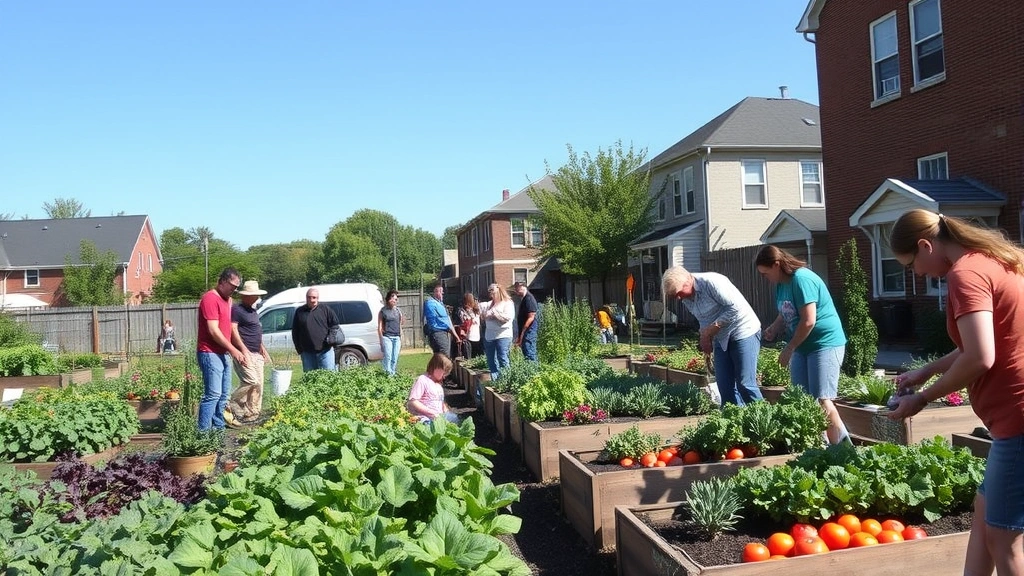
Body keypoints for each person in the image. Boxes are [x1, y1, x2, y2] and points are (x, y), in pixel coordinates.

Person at [886, 210, 1024, 576]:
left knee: (1003, 536)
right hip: (1013, 417)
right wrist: (927, 369)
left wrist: (922, 397)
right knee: (984, 512)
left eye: (912, 263)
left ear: (925, 245)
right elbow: (976, 343)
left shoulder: (965, 274)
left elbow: (980, 356)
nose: (916, 274)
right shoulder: (992, 261)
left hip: (1018, 418)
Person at [755, 245, 849, 444]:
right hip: (803, 346)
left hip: (825, 343)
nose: (765, 278)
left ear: (777, 265)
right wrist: (774, 327)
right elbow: (786, 311)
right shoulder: (782, 284)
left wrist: (789, 347)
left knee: (823, 399)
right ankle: (819, 446)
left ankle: (843, 448)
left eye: (765, 273)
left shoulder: (802, 279)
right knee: (803, 399)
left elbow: (808, 321)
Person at [662, 266, 763, 406]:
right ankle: (733, 423)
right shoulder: (686, 297)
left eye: (679, 293)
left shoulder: (713, 283)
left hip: (743, 330)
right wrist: (705, 337)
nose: (679, 298)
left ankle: (764, 421)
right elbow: (703, 318)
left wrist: (711, 330)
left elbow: (735, 308)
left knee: (745, 384)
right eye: (675, 296)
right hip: (720, 338)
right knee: (725, 387)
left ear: (688, 281)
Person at [196, 268, 248, 431]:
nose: (234, 289)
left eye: (237, 287)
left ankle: (217, 432)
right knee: (213, 395)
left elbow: (229, 329)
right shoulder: (210, 299)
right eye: (233, 285)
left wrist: (241, 348)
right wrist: (233, 350)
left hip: (222, 353)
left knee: (223, 395)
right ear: (223, 281)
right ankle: (203, 435)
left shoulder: (229, 301)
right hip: (209, 352)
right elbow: (213, 330)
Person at [227, 280, 271, 425]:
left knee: (258, 386)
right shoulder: (237, 309)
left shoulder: (253, 311)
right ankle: (233, 402)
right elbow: (233, 330)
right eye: (254, 295)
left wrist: (262, 348)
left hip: (256, 352)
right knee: (251, 380)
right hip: (244, 353)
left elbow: (256, 331)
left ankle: (252, 414)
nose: (256, 297)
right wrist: (243, 349)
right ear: (246, 296)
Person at [480, 283, 515, 404]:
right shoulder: (489, 304)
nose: (491, 294)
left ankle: (506, 381)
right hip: (490, 335)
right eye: (489, 291)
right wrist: (485, 315)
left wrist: (494, 314)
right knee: (490, 359)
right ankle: (496, 381)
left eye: (492, 291)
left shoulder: (507, 303)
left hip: (503, 335)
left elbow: (507, 318)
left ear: (499, 291)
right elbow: (483, 317)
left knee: (502, 357)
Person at [292, 287, 339, 372]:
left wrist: (331, 337)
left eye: (314, 297)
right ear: (306, 298)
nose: (312, 300)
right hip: (307, 353)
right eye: (309, 297)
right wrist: (299, 349)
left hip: (325, 351)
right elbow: (295, 331)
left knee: (329, 377)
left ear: (318, 298)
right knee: (310, 379)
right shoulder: (300, 311)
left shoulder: (325, 309)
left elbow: (334, 325)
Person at [407, 353, 460, 424]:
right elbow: (413, 401)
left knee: (455, 419)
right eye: (444, 372)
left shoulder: (437, 384)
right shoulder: (422, 380)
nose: (444, 376)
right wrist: (431, 413)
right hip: (425, 416)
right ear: (436, 367)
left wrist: (444, 407)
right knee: (428, 425)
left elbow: (439, 400)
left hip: (439, 415)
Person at [423, 284, 461, 357]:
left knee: (441, 357)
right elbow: (444, 321)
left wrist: (456, 336)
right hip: (437, 333)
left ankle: (438, 368)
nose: (443, 293)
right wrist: (453, 334)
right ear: (436, 292)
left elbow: (448, 320)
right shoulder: (431, 303)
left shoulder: (440, 304)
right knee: (444, 356)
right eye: (441, 291)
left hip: (443, 333)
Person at [378, 290, 403, 375]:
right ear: (388, 299)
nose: (394, 301)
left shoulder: (398, 311)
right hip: (387, 337)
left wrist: (401, 337)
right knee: (388, 357)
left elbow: (400, 324)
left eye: (396, 299)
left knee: (394, 358)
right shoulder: (383, 311)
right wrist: (381, 341)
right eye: (392, 298)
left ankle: (392, 373)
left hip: (397, 337)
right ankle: (387, 375)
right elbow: (380, 327)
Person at [513, 281, 539, 361]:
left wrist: (524, 330)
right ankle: (529, 370)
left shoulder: (529, 298)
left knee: (529, 351)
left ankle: (532, 371)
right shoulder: (524, 299)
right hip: (525, 331)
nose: (516, 291)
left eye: (517, 289)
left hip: (529, 330)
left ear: (522, 287)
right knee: (525, 350)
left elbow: (531, 317)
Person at [457, 292, 481, 359]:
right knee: (470, 355)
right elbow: (464, 322)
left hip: (476, 335)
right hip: (468, 336)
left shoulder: (476, 310)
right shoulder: (463, 311)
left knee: (474, 355)